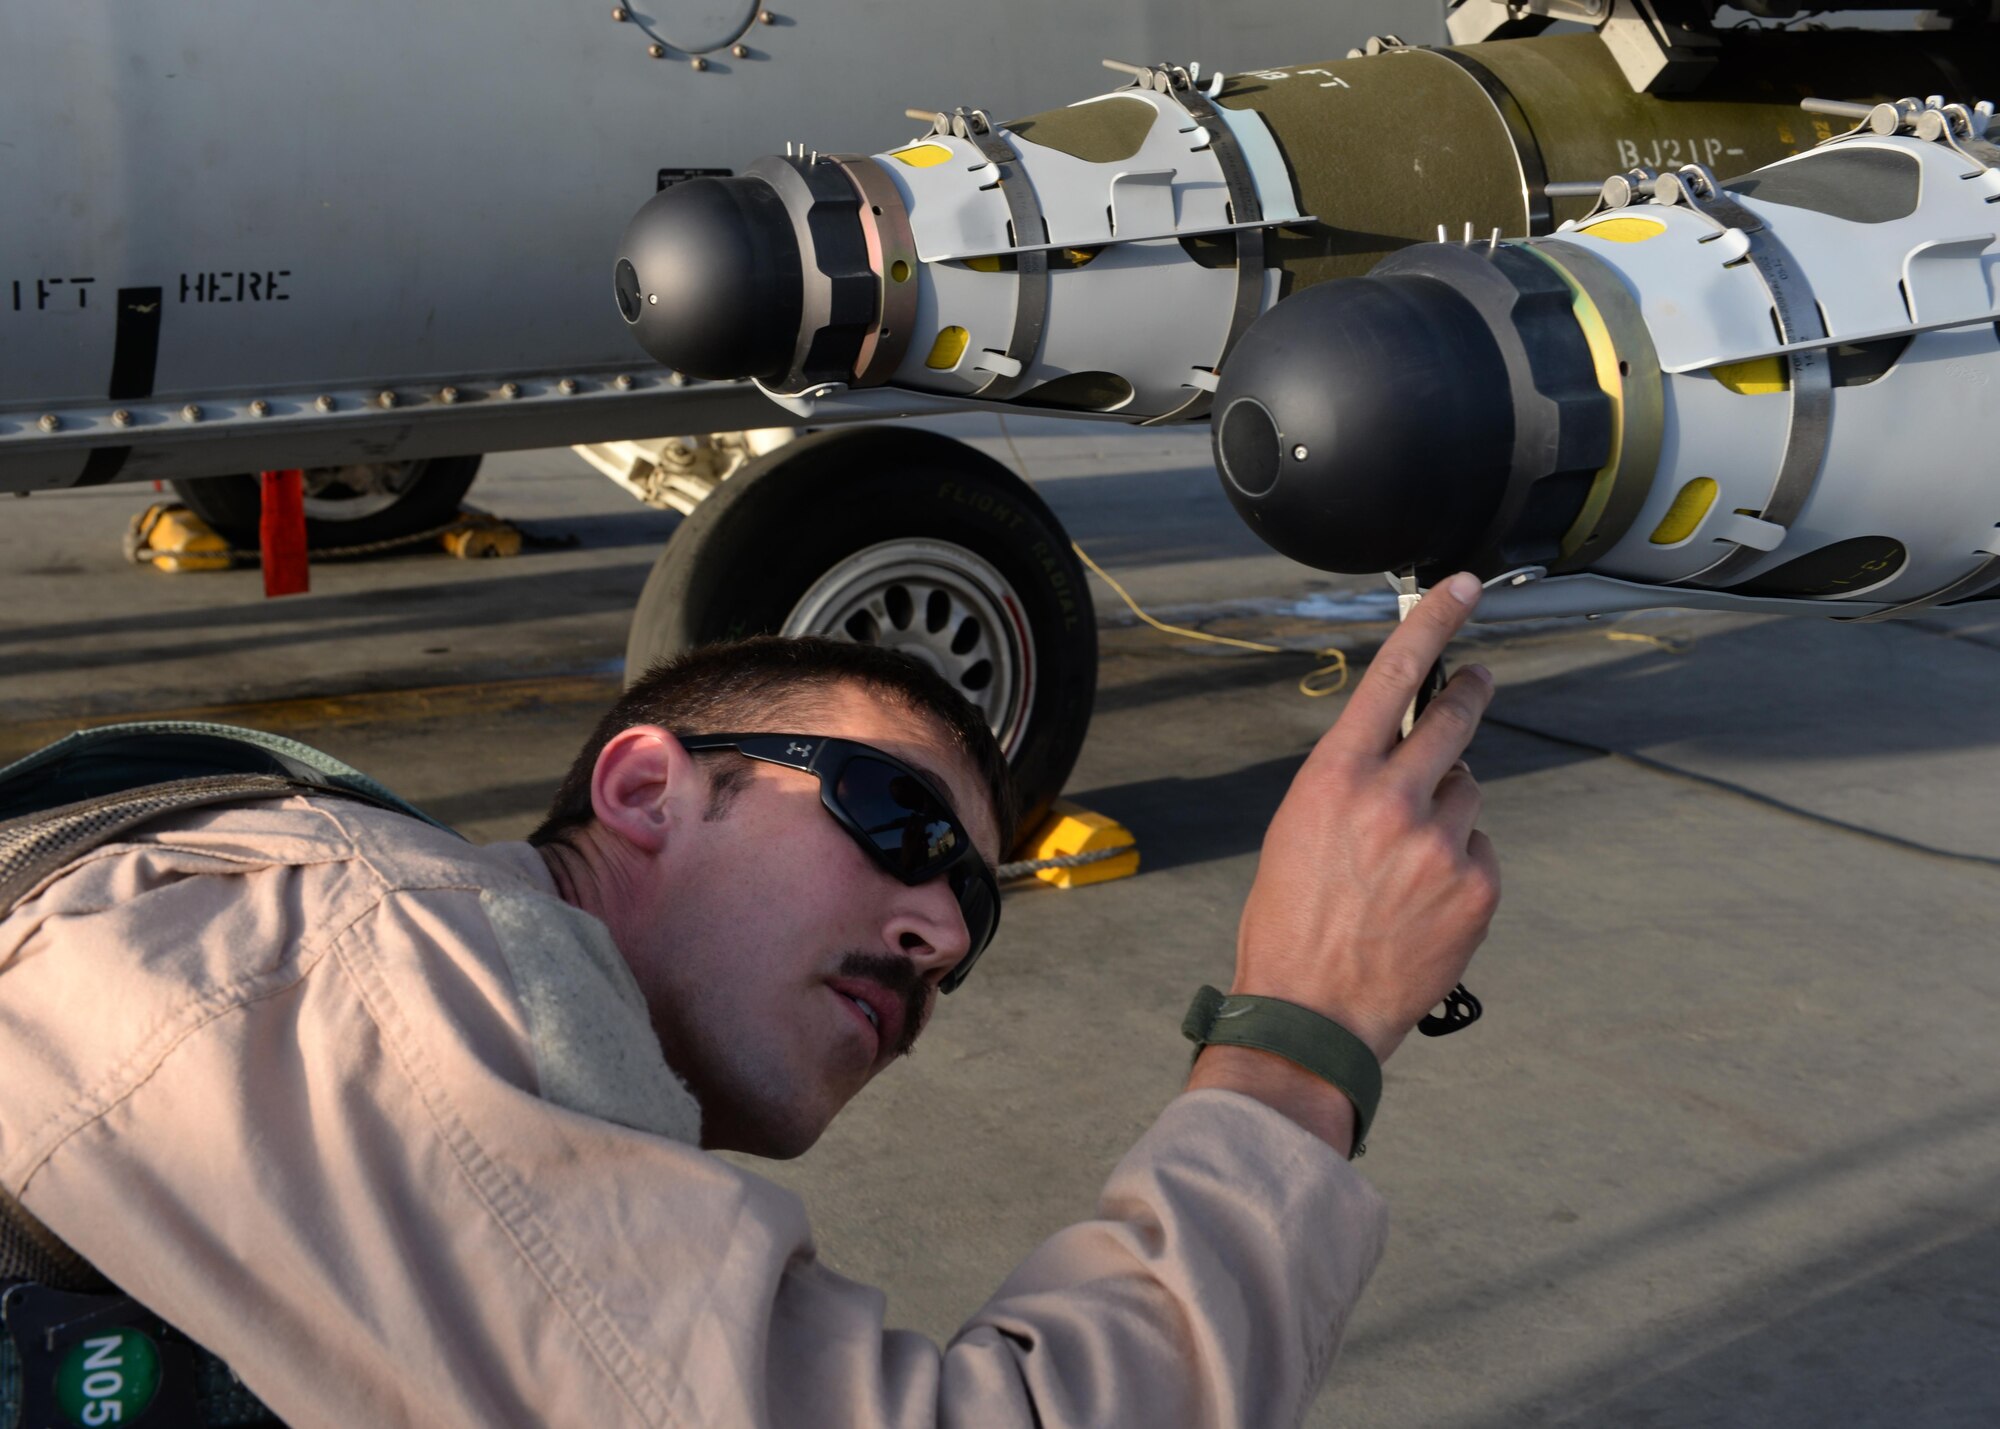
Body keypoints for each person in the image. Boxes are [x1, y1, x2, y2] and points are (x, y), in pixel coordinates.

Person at [0, 571, 1498, 1427]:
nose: (937, 936)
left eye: (976, 915)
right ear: (650, 788)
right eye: (899, 823)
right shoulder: (381, 957)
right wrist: (1302, 1029)